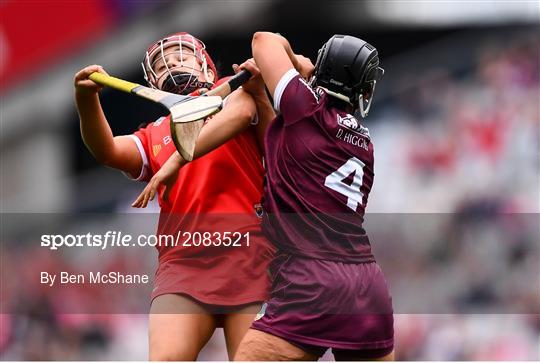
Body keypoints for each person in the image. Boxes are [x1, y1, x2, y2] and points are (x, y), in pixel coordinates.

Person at [74, 32, 274, 360]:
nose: (174, 62)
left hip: (249, 255)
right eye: (161, 62)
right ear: (153, 81)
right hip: (184, 264)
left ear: (208, 69)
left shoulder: (238, 95)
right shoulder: (154, 133)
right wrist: (86, 100)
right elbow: (107, 150)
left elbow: (242, 113)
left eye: (184, 56)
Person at [231, 33, 394, 360]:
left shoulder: (304, 108)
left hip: (312, 279)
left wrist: (297, 64)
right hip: (368, 285)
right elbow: (283, 153)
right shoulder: (364, 144)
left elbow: (262, 40)